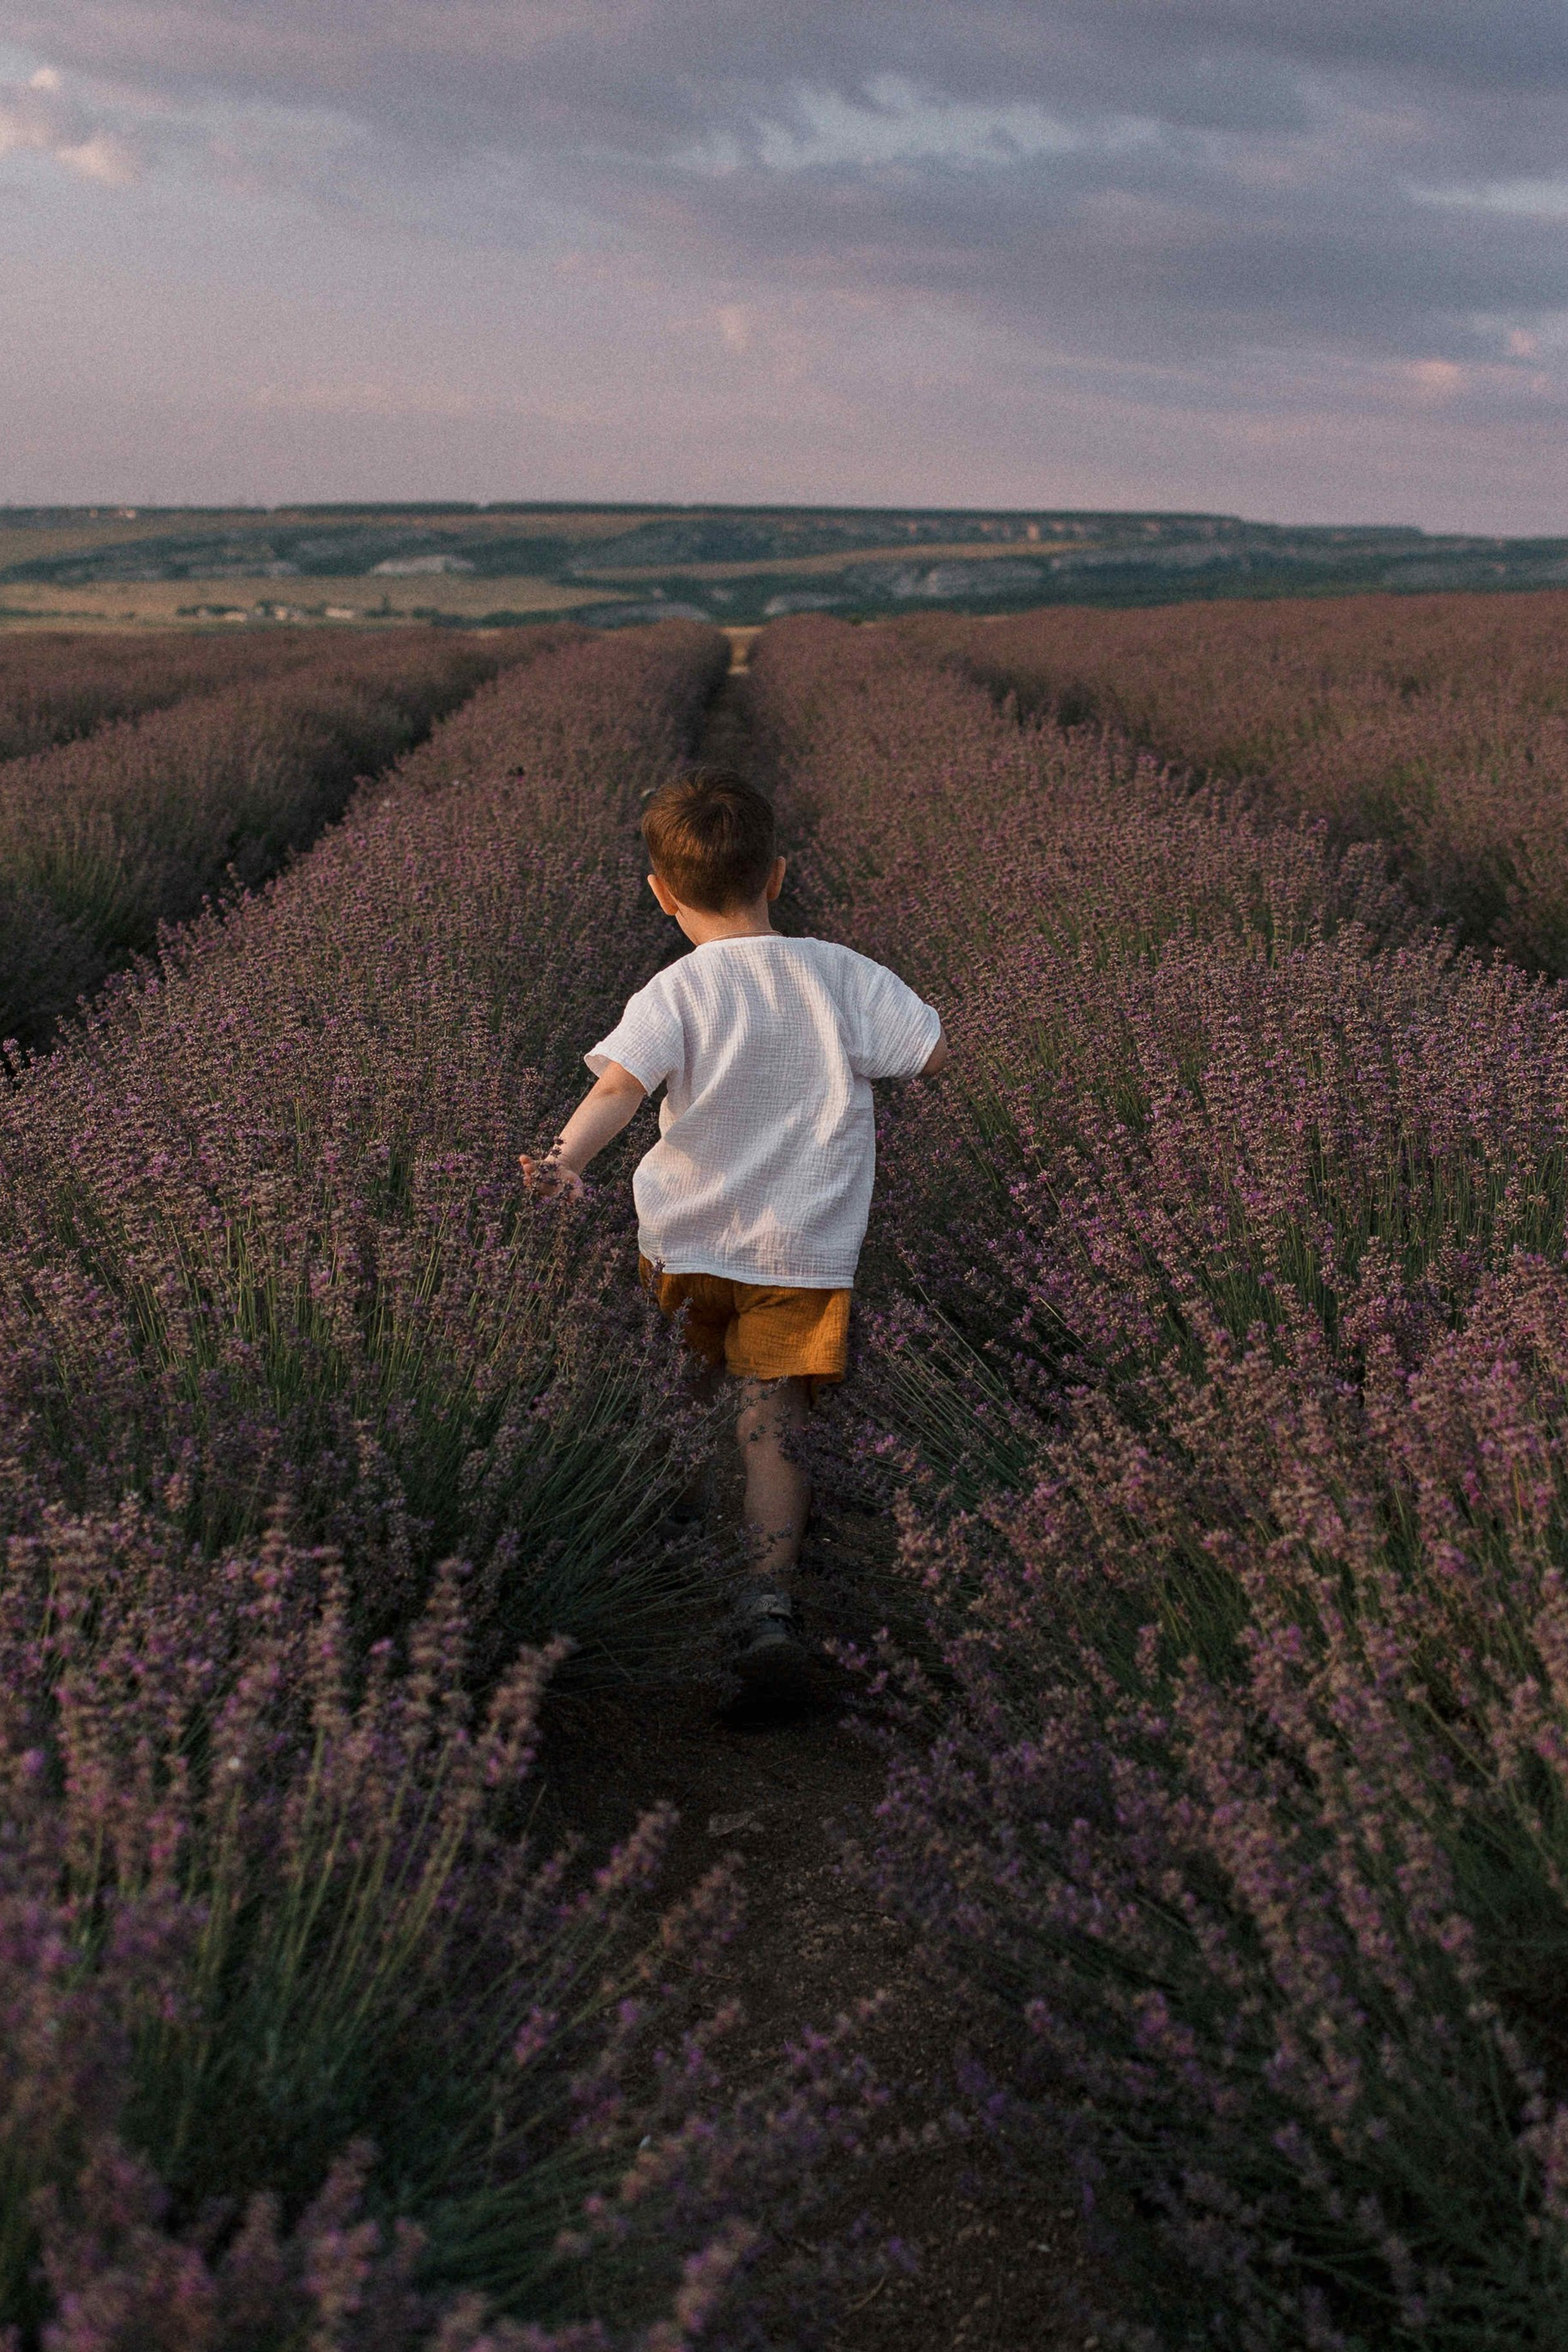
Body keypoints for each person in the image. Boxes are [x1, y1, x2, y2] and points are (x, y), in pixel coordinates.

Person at [520, 766, 948, 1694]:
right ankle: (766, 1604)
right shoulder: (838, 973)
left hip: (683, 1243)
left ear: (661, 895)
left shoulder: (674, 991)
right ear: (781, 876)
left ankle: (651, 1547)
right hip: (800, 1251)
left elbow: (617, 1090)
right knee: (771, 1422)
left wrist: (563, 1165)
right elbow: (929, 1049)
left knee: (672, 1397)